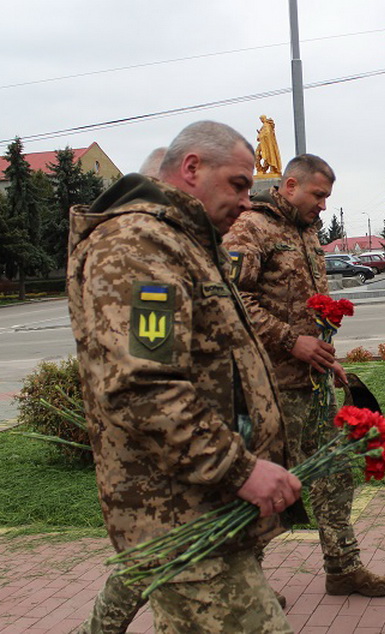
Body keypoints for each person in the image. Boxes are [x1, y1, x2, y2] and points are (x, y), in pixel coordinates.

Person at [67, 121, 301, 633]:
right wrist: (240, 469)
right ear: (192, 167)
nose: (246, 202)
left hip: (207, 506)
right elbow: (144, 385)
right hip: (178, 512)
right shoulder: (138, 245)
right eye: (238, 184)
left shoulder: (186, 242)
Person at [222, 154, 385, 597]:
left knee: (336, 474)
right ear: (291, 185)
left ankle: (343, 567)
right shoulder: (251, 228)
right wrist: (289, 341)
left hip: (313, 383)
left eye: (327, 197)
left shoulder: (308, 232)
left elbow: (308, 306)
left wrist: (323, 356)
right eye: (318, 195)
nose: (323, 205)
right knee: (267, 485)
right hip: (269, 386)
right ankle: (248, 588)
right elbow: (231, 299)